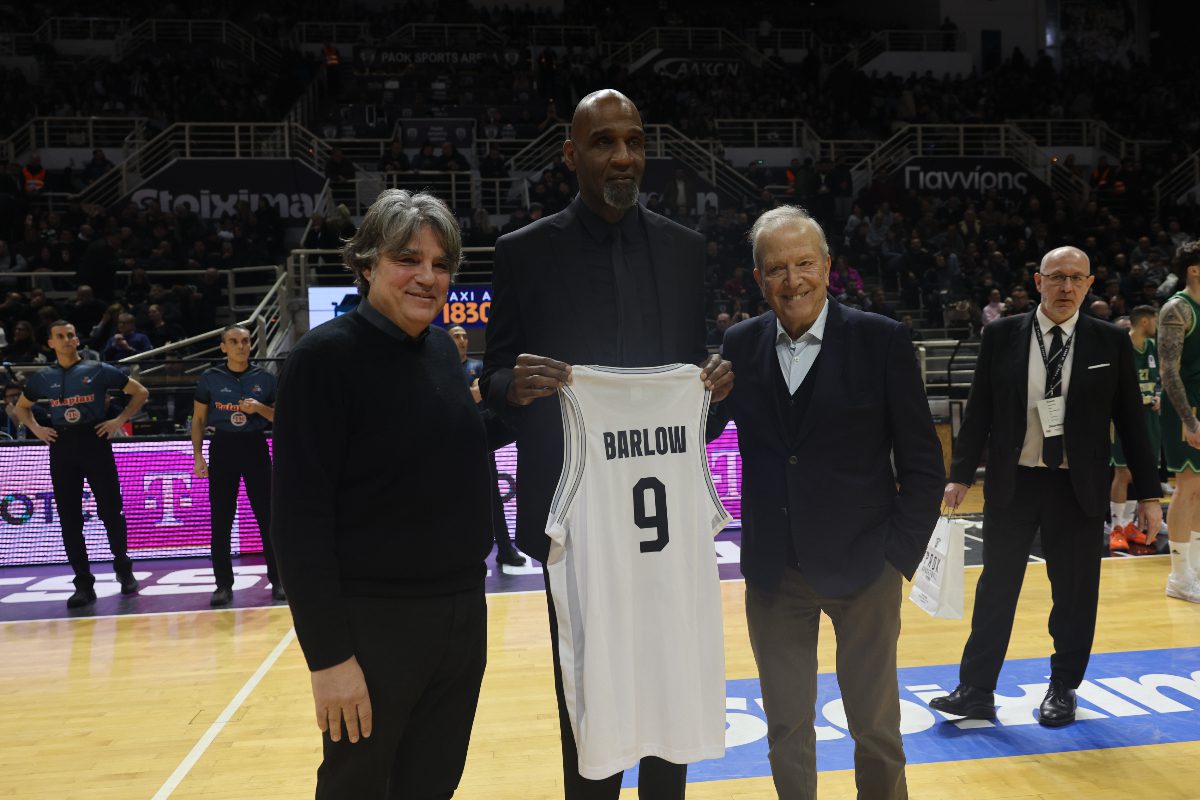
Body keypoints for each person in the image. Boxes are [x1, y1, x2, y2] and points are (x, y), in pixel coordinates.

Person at [481, 89, 733, 799]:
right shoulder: (524, 253)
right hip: (578, 524)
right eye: (603, 142)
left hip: (664, 525)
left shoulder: (684, 251)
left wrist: (713, 391)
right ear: (571, 155)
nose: (623, 156)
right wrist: (511, 388)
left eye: (634, 141)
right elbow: (495, 381)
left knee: (671, 686)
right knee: (589, 694)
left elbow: (691, 399)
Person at [272, 190, 503, 798]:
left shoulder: (440, 350)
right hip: (373, 624)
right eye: (408, 259)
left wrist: (517, 402)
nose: (428, 276)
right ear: (367, 263)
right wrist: (328, 659)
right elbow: (298, 522)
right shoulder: (323, 359)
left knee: (432, 786)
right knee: (356, 788)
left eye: (440, 264)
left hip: (461, 615)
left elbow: (444, 444)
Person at [709, 207, 943, 799]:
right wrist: (700, 394)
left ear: (828, 266)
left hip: (866, 567)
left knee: (876, 728)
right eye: (777, 268)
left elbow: (923, 464)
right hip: (774, 571)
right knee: (786, 729)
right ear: (759, 278)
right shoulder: (738, 344)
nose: (793, 281)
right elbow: (701, 433)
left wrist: (897, 558)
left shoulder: (881, 339)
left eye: (804, 263)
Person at [932, 246, 1163, 727]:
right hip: (1013, 481)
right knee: (996, 589)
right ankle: (975, 690)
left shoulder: (1109, 340)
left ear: (1090, 284)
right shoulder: (1001, 334)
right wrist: (959, 475)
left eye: (1077, 278)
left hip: (1077, 488)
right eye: (1057, 277)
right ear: (1038, 282)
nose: (1066, 287)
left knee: (1075, 594)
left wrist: (1148, 494)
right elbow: (980, 408)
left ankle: (1063, 687)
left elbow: (1132, 422)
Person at [11, 320, 149, 608]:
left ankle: (124, 569)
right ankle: (83, 584)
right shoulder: (43, 377)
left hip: (95, 441)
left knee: (111, 511)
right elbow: (21, 407)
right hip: (62, 446)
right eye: (60, 336)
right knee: (70, 519)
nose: (66, 340)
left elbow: (140, 392)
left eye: (70, 335)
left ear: (77, 340)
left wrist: (118, 420)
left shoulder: (97, 369)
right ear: (50, 343)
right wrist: (36, 428)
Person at [192, 323, 282, 607]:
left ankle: (278, 581)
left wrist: (260, 408)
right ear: (223, 347)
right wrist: (197, 455)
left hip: (255, 447)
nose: (241, 346)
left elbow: (281, 416)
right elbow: (198, 420)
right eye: (234, 341)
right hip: (223, 448)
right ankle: (223, 585)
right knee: (221, 519)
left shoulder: (265, 378)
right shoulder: (210, 378)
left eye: (245, 341)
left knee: (268, 518)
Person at [448, 323, 525, 567]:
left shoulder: (478, 366)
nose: (462, 340)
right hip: (453, 441)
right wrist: (469, 394)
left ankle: (505, 549)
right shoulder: (444, 366)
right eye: (456, 336)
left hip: (482, 436)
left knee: (492, 496)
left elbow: (485, 395)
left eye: (464, 336)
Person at [1157, 240, 1200, 601]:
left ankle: (1195, 570)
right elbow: (1168, 370)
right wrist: (1189, 419)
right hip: (1187, 408)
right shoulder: (1177, 308)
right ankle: (1179, 577)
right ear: (1194, 269)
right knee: (1187, 488)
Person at [1108, 305, 1161, 554]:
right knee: (1122, 472)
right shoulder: (1120, 345)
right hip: (1125, 417)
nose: (1157, 326)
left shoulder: (1152, 347)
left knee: (1138, 471)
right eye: (1155, 321)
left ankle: (1129, 524)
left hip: (1149, 415)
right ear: (1144, 322)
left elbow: (1163, 376)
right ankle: (1116, 527)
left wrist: (1160, 396)